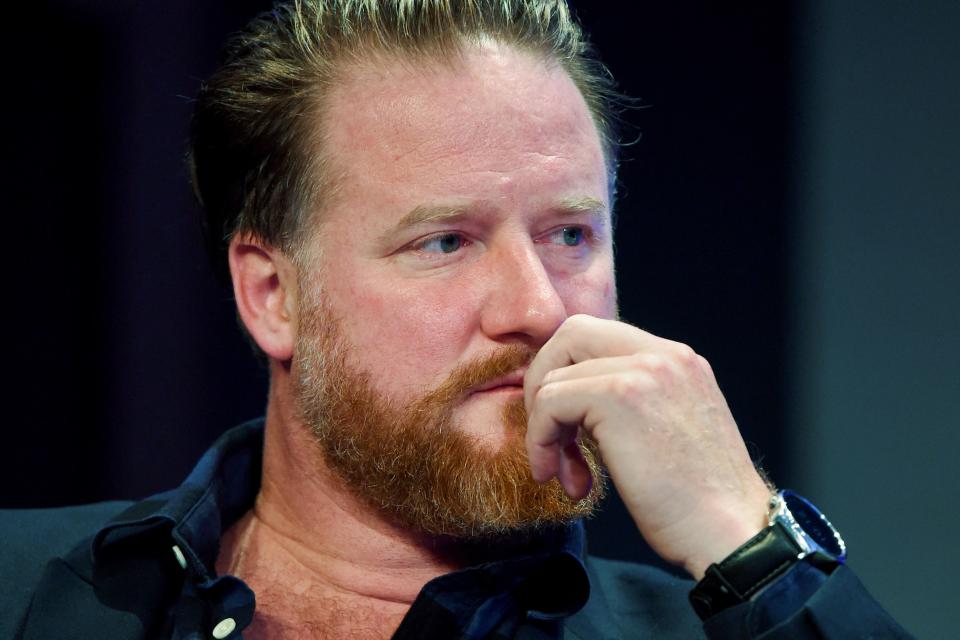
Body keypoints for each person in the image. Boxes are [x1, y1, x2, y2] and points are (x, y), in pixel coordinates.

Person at [1, 1, 911, 638]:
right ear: (272, 296)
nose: (539, 307)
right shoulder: (20, 585)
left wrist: (755, 549)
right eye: (445, 241)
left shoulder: (712, 631)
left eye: (570, 233)